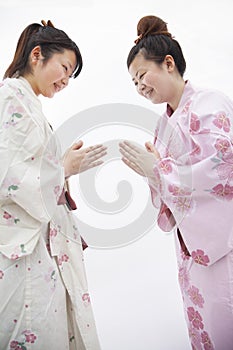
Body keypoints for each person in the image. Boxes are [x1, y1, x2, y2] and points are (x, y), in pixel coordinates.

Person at [119, 15, 233, 350]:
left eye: (142, 75)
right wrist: (153, 173)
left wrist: (159, 172)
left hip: (222, 241)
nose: (139, 86)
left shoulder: (211, 104)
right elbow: (165, 187)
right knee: (203, 318)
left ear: (168, 63)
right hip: (191, 246)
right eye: (134, 82)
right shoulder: (162, 125)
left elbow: (224, 169)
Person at [0, 19, 106, 349]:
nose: (65, 81)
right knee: (35, 333)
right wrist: (63, 168)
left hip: (37, 246)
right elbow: (9, 175)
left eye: (70, 75)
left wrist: (63, 169)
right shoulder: (11, 98)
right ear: (37, 55)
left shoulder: (28, 103)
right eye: (64, 67)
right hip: (23, 248)